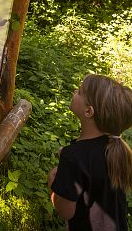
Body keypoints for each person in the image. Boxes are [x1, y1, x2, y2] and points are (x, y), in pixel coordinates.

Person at [47, 74, 132, 230]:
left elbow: (65, 212)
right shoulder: (115, 148)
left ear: (88, 111)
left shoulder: (73, 157)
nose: (75, 91)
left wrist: (54, 183)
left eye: (80, 91)